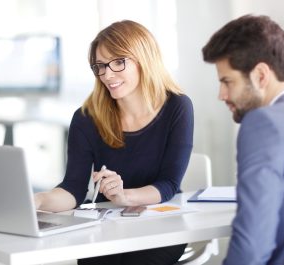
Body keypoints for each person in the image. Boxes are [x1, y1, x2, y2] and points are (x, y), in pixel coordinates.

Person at [35, 20, 194, 265]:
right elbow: (73, 190)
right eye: (100, 66)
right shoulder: (86, 118)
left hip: (160, 225)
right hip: (106, 227)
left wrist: (124, 196)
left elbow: (169, 184)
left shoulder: (177, 107)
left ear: (144, 59)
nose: (107, 74)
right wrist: (38, 200)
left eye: (118, 62)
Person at [202, 14, 284, 265]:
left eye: (227, 81)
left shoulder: (263, 123)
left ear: (261, 75)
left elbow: (252, 245)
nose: (222, 95)